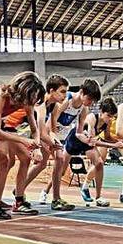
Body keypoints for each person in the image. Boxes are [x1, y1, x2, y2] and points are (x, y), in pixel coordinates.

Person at [0, 71, 45, 219]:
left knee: (25, 157)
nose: (33, 102)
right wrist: (24, 141)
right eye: (32, 97)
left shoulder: (27, 102)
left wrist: (37, 147)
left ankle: (18, 202)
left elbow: (34, 129)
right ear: (23, 90)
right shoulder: (0, 97)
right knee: (4, 160)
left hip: (2, 127)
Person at [38, 79, 102, 210]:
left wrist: (88, 139)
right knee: (53, 161)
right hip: (48, 133)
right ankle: (51, 197)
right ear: (81, 92)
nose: (90, 103)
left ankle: (23, 192)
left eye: (93, 101)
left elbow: (78, 133)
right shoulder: (66, 100)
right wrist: (52, 139)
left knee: (45, 165)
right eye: (89, 99)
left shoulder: (84, 109)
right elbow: (51, 122)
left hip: (60, 137)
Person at [19, 74, 73, 211]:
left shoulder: (54, 106)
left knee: (46, 162)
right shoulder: (40, 103)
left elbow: (52, 130)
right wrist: (55, 144)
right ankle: (55, 199)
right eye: (62, 91)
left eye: (66, 92)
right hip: (24, 133)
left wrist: (55, 141)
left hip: (36, 134)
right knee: (58, 157)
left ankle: (19, 190)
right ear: (51, 91)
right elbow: (41, 132)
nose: (65, 96)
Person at [60, 98, 123, 207]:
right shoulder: (91, 118)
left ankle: (98, 197)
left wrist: (119, 141)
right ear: (101, 112)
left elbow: (107, 137)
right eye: (109, 115)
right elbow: (92, 142)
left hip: (87, 143)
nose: (111, 119)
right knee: (61, 170)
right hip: (74, 140)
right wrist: (114, 145)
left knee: (99, 163)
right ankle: (46, 192)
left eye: (113, 116)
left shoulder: (107, 122)